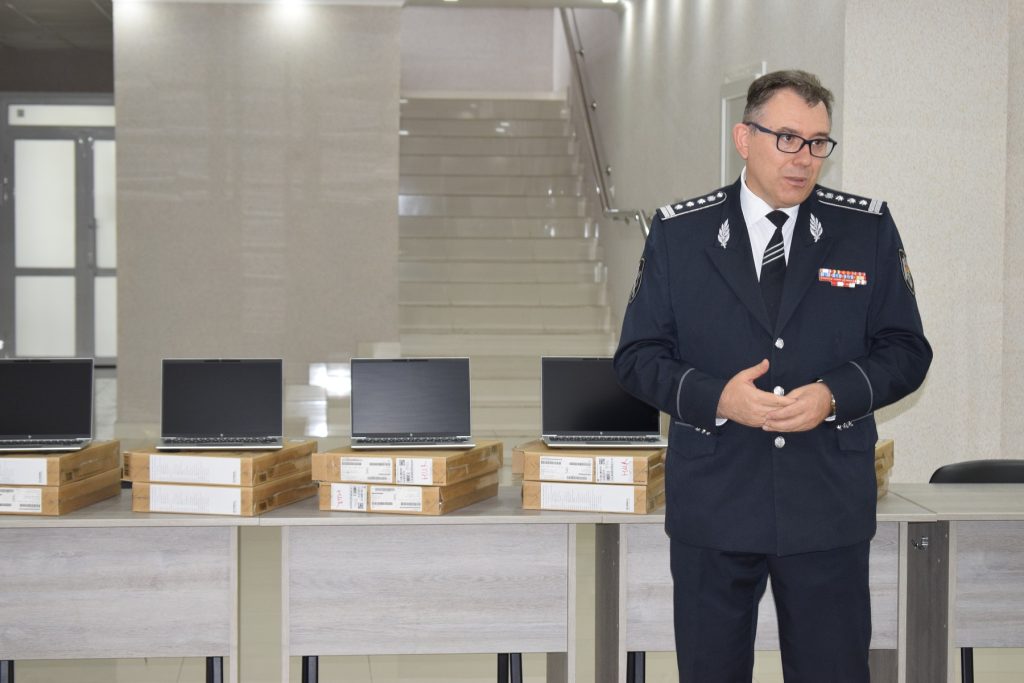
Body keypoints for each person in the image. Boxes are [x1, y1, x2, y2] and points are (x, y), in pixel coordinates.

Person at [613, 70, 931, 682]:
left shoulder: (864, 229)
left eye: (818, 142)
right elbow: (637, 357)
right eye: (787, 138)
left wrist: (833, 396)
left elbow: (907, 350)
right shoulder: (681, 232)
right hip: (715, 500)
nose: (804, 157)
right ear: (744, 138)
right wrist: (718, 399)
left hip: (826, 503)